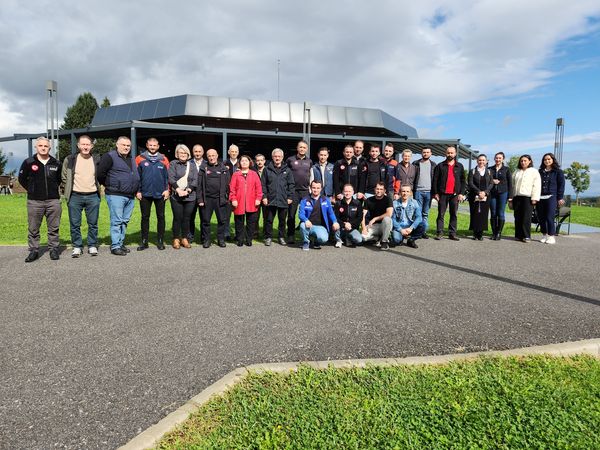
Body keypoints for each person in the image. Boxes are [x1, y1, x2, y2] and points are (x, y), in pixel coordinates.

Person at [18, 136, 62, 262]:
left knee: (54, 227)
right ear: (36, 147)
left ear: (49, 148)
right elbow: (22, 179)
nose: (43, 148)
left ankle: (54, 249)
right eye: (40, 146)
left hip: (53, 201)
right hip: (34, 201)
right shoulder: (28, 162)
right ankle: (34, 251)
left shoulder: (56, 163)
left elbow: (59, 180)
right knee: (33, 228)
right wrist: (32, 189)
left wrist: (53, 190)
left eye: (46, 146)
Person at [97, 136, 139, 256]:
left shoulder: (131, 159)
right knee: (116, 221)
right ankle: (115, 246)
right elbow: (100, 173)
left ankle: (120, 243)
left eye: (128, 146)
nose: (126, 147)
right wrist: (109, 184)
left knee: (125, 221)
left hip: (130, 196)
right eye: (123, 145)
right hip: (115, 194)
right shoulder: (109, 156)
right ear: (117, 144)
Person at [61, 135, 101, 258]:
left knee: (93, 223)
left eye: (88, 144)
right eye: (83, 144)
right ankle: (77, 246)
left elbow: (101, 175)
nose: (85, 147)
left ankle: (92, 245)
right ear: (78, 145)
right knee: (75, 224)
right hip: (75, 196)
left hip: (93, 196)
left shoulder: (96, 159)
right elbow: (64, 177)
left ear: (91, 146)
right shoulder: (70, 159)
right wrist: (66, 191)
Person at [135, 137, 170, 251]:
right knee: (145, 217)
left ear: (158, 146)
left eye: (154, 145)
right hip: (145, 194)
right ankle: (144, 242)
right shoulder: (139, 159)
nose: (152, 147)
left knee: (161, 217)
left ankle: (160, 241)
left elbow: (167, 177)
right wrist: (138, 191)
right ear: (147, 145)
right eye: (150, 145)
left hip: (160, 194)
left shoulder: (164, 159)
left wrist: (167, 190)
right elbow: (137, 177)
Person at [197, 149, 230, 248]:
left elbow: (229, 184)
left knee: (222, 221)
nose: (211, 157)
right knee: (206, 221)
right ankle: (207, 240)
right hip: (207, 199)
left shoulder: (224, 169)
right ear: (207, 157)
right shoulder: (204, 168)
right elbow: (199, 185)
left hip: (220, 199)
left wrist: (227, 197)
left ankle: (220, 239)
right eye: (209, 156)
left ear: (217, 155)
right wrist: (200, 199)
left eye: (213, 155)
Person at [261, 148, 295, 246]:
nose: (277, 158)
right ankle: (268, 237)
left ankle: (281, 237)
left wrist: (290, 197)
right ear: (272, 157)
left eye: (279, 156)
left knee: (282, 221)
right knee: (269, 220)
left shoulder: (287, 170)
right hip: (270, 199)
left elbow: (291, 185)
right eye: (275, 156)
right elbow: (263, 185)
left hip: (283, 199)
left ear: (282, 157)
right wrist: (264, 197)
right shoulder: (267, 169)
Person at [432, 146, 465, 241]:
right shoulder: (440, 165)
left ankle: (452, 233)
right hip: (442, 194)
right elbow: (435, 180)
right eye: (448, 153)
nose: (450, 154)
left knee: (454, 214)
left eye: (452, 153)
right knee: (441, 214)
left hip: (455, 195)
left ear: (455, 154)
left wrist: (461, 193)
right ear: (445, 153)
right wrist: (436, 193)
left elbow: (463, 181)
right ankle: (439, 233)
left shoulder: (460, 166)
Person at [168, 144, 197, 249]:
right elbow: (171, 178)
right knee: (177, 218)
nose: (183, 154)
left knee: (187, 218)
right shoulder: (173, 164)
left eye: (185, 152)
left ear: (188, 154)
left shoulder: (192, 165)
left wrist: (189, 190)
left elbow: (195, 179)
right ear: (177, 154)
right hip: (176, 196)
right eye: (181, 152)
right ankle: (176, 238)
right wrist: (178, 190)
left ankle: (184, 238)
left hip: (190, 196)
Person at [229, 155, 263, 246]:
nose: (244, 162)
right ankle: (239, 239)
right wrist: (233, 199)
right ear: (239, 163)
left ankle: (249, 239)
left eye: (246, 161)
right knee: (239, 222)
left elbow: (259, 188)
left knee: (251, 223)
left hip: (252, 202)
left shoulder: (254, 174)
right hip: (238, 202)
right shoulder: (236, 174)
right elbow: (232, 189)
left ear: (249, 162)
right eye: (242, 161)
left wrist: (258, 199)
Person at [298, 180, 340, 251]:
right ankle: (306, 242)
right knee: (302, 225)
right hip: (308, 225)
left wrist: (335, 222)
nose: (316, 190)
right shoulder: (305, 200)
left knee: (324, 239)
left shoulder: (326, 200)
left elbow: (331, 213)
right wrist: (306, 220)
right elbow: (301, 214)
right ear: (310, 188)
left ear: (321, 189)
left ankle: (316, 241)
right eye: (314, 187)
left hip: (320, 226)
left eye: (318, 188)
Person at [509, 154, 541, 243]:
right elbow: (512, 185)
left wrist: (534, 198)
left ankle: (526, 236)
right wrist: (511, 198)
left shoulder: (534, 171)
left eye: (525, 161)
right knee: (517, 216)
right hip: (517, 197)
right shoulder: (516, 171)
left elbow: (537, 186)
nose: (523, 162)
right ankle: (518, 235)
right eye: (521, 161)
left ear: (529, 161)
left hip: (528, 197)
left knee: (526, 217)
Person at [286, 140, 312, 244]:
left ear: (307, 149)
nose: (302, 149)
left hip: (305, 192)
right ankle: (291, 235)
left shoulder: (309, 161)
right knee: (291, 214)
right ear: (297, 148)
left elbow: (311, 175)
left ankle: (305, 235)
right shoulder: (290, 160)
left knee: (306, 214)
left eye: (304, 147)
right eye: (300, 147)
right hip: (293, 191)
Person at [537, 153, 565, 245]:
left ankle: (551, 236)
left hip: (552, 197)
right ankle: (544, 235)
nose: (547, 161)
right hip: (540, 197)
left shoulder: (558, 172)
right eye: (545, 159)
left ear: (552, 160)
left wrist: (560, 197)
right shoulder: (540, 171)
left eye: (549, 159)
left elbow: (561, 185)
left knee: (549, 217)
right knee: (541, 217)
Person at [467, 154, 494, 240]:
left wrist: (485, 192)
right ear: (477, 161)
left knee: (483, 215)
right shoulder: (472, 171)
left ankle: (480, 234)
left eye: (483, 160)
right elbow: (470, 183)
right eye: (480, 160)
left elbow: (491, 183)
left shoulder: (489, 172)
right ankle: (475, 233)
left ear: (486, 161)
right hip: (474, 196)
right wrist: (479, 192)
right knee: (475, 214)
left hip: (486, 196)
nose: (481, 162)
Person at [412, 147, 436, 239]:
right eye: (424, 152)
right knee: (418, 212)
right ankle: (417, 230)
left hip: (429, 192)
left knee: (425, 213)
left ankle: (423, 231)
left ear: (431, 153)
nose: (425, 154)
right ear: (421, 153)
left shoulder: (434, 165)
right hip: (418, 191)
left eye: (427, 152)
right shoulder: (416, 163)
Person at [361, 182, 393, 250]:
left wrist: (375, 218)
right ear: (374, 189)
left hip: (384, 225)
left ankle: (384, 242)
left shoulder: (388, 199)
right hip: (373, 226)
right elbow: (362, 215)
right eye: (377, 189)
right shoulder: (368, 200)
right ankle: (377, 238)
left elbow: (389, 213)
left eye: (381, 189)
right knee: (363, 237)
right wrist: (364, 228)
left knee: (387, 219)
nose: (379, 191)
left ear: (384, 191)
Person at [489, 151, 512, 240]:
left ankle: (499, 233)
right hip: (492, 193)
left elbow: (510, 184)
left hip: (503, 193)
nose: (498, 159)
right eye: (496, 158)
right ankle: (494, 232)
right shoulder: (490, 169)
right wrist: (492, 181)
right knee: (493, 213)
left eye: (500, 158)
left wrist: (510, 197)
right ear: (494, 159)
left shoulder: (506, 169)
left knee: (500, 213)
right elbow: (486, 180)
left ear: (503, 159)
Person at [188, 144, 206, 243]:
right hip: (191, 194)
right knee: (190, 217)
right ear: (192, 152)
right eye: (196, 151)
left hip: (203, 195)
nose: (197, 153)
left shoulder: (207, 164)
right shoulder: (188, 163)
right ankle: (190, 237)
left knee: (204, 218)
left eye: (199, 151)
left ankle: (203, 238)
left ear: (203, 152)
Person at [224, 144, 240, 241]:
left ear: (238, 153)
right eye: (232, 151)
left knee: (239, 215)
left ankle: (238, 234)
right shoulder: (224, 163)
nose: (234, 153)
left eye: (235, 152)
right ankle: (226, 233)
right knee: (226, 215)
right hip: (227, 193)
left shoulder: (242, 163)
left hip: (240, 194)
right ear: (228, 152)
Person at [253, 153, 267, 238]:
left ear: (264, 161)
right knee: (255, 216)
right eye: (258, 160)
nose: (260, 162)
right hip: (255, 197)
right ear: (255, 162)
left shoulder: (268, 170)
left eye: (261, 160)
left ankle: (266, 233)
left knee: (266, 216)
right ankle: (255, 232)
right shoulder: (253, 171)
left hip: (266, 197)